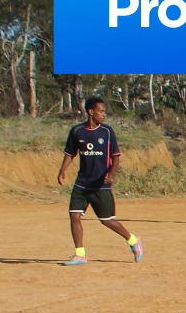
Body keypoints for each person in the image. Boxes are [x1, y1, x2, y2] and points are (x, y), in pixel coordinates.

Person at [56, 98, 143, 266]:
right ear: (91, 111)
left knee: (107, 220)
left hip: (100, 185)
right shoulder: (77, 131)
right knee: (74, 215)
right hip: (82, 183)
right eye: (101, 111)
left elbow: (115, 157)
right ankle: (80, 254)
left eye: (104, 111)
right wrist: (62, 170)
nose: (104, 115)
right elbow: (70, 153)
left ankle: (133, 240)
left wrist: (111, 174)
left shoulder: (107, 132)